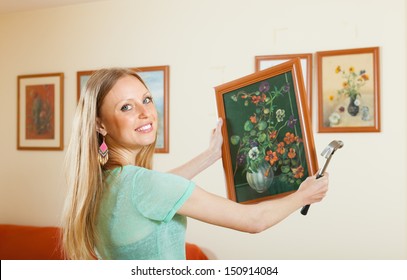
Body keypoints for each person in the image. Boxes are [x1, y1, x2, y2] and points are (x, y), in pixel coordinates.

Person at [62, 67, 329, 260]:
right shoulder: (145, 186)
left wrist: (210, 155)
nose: (146, 113)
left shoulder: (102, 184)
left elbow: (158, 192)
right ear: (99, 124)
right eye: (126, 107)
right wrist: (304, 195)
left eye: (146, 99)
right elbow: (253, 220)